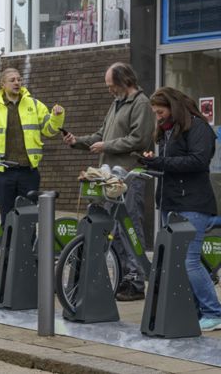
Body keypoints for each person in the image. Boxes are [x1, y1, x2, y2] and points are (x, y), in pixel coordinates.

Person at [62, 62, 155, 301]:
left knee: (130, 226)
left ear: (125, 82)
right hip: (111, 178)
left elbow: (139, 139)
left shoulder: (141, 104)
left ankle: (136, 282)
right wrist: (77, 142)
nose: (109, 90)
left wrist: (107, 145)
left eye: (112, 85)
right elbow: (100, 136)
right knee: (115, 228)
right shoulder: (116, 104)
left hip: (129, 175)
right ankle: (124, 278)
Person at [139, 87, 221, 331]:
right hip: (172, 203)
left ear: (173, 107)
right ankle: (197, 310)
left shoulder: (198, 127)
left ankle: (214, 312)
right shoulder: (169, 131)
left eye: (161, 111)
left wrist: (160, 161)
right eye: (155, 112)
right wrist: (151, 161)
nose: (158, 116)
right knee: (180, 262)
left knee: (189, 261)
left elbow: (198, 161)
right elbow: (172, 164)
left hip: (192, 204)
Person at [0, 68, 65, 227]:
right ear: (3, 84)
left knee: (29, 219)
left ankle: (28, 251)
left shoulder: (35, 105)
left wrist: (57, 118)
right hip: (3, 173)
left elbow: (49, 131)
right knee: (7, 218)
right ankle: (8, 250)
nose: (17, 82)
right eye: (12, 80)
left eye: (19, 79)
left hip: (28, 172)